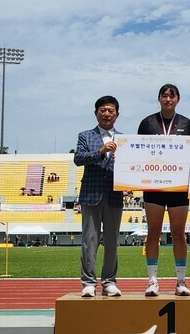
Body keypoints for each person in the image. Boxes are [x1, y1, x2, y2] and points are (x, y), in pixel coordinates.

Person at [138, 83, 190, 296]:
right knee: (153, 232)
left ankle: (181, 281)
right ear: (159, 98)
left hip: (179, 188)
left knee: (179, 233)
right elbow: (138, 153)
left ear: (178, 99)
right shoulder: (147, 123)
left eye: (172, 96)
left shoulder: (187, 124)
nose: (168, 100)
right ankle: (152, 280)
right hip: (153, 187)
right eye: (164, 96)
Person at [73, 95, 124, 297]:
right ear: (96, 113)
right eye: (102, 110)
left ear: (117, 115)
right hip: (91, 194)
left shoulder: (124, 139)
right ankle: (88, 283)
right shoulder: (85, 136)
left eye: (111, 110)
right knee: (89, 240)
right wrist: (100, 151)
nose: (106, 114)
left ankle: (110, 282)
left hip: (114, 195)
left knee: (112, 241)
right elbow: (78, 158)